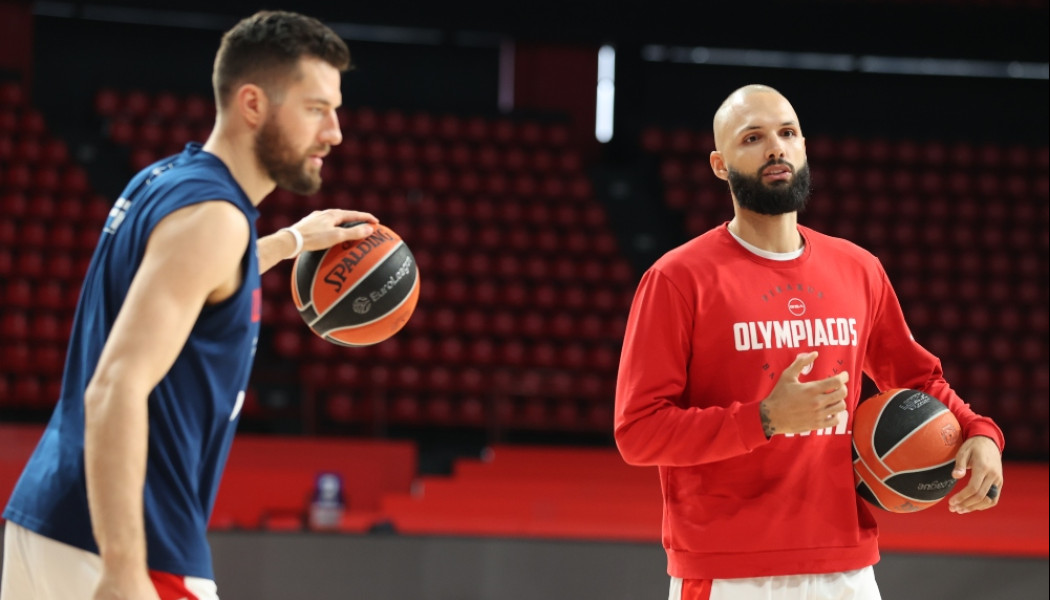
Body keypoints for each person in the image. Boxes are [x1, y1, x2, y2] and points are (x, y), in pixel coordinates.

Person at [1, 11, 377, 600]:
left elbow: (197, 280)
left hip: (47, 521)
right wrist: (124, 569)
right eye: (315, 109)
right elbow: (115, 388)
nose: (334, 132)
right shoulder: (215, 220)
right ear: (252, 104)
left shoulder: (164, 180)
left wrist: (290, 242)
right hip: (128, 543)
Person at [613, 84, 1005, 600]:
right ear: (719, 165)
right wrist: (764, 419)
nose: (775, 147)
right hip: (729, 569)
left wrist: (979, 431)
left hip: (846, 566)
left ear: (803, 147)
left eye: (787, 133)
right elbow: (638, 432)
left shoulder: (859, 269)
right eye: (752, 138)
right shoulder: (678, 279)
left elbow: (917, 378)